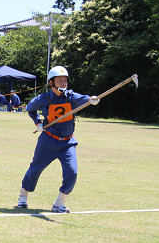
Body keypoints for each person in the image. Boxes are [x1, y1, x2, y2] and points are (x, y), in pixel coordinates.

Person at [16, 66, 99, 213]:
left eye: (65, 80)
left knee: (72, 172)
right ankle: (23, 195)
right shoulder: (45, 98)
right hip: (48, 140)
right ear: (51, 82)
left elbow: (84, 99)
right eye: (59, 80)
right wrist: (38, 123)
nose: (63, 83)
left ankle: (59, 203)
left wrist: (91, 99)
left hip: (68, 142)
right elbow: (30, 108)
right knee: (35, 169)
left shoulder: (71, 96)